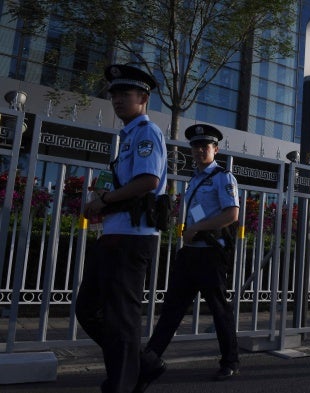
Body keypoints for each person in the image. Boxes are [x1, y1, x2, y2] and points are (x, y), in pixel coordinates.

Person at [76, 64, 167, 392]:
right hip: (114, 234)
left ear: (143, 98)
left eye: (124, 94)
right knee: (87, 309)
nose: (116, 100)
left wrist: (107, 198)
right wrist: (101, 200)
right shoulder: (126, 138)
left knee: (122, 319)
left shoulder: (146, 133)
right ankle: (142, 365)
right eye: (113, 94)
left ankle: (123, 384)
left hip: (133, 237)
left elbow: (148, 181)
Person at [135, 124, 240, 392]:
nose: (199, 150)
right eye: (195, 146)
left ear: (215, 149)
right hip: (190, 254)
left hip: (211, 253)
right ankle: (150, 359)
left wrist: (196, 228)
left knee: (219, 310)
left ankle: (230, 360)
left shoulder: (222, 177)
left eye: (205, 146)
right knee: (172, 309)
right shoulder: (193, 178)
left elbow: (231, 215)